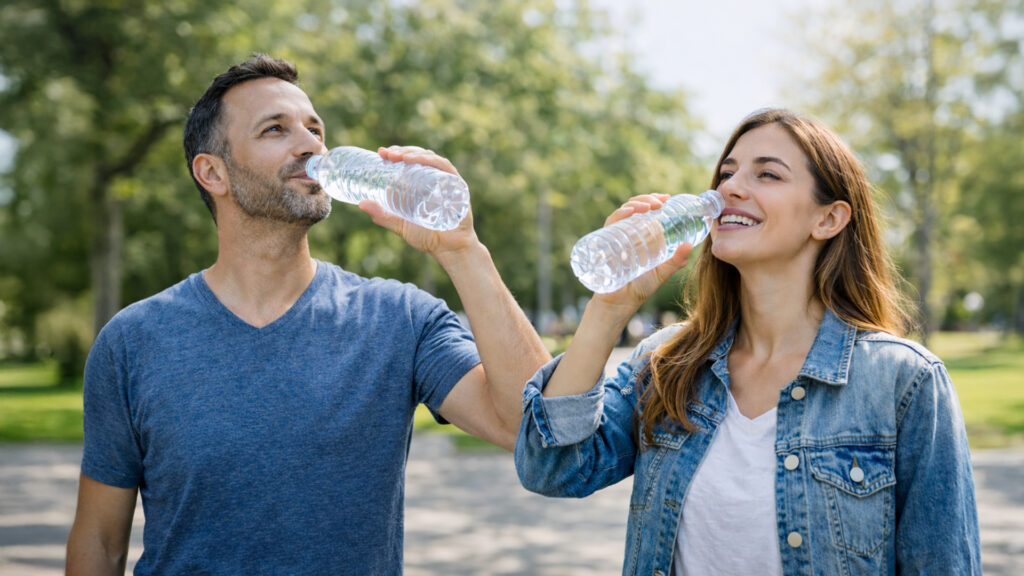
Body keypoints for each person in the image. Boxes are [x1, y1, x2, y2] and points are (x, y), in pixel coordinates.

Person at [65, 54, 551, 575]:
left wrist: (464, 252)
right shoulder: (133, 341)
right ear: (213, 172)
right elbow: (100, 540)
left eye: (315, 129)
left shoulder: (400, 319)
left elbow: (531, 425)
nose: (312, 145)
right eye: (276, 129)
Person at [514, 108, 981, 575]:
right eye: (727, 171)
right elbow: (554, 469)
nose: (729, 188)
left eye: (768, 174)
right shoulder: (668, 363)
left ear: (829, 218)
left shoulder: (905, 382)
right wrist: (609, 308)